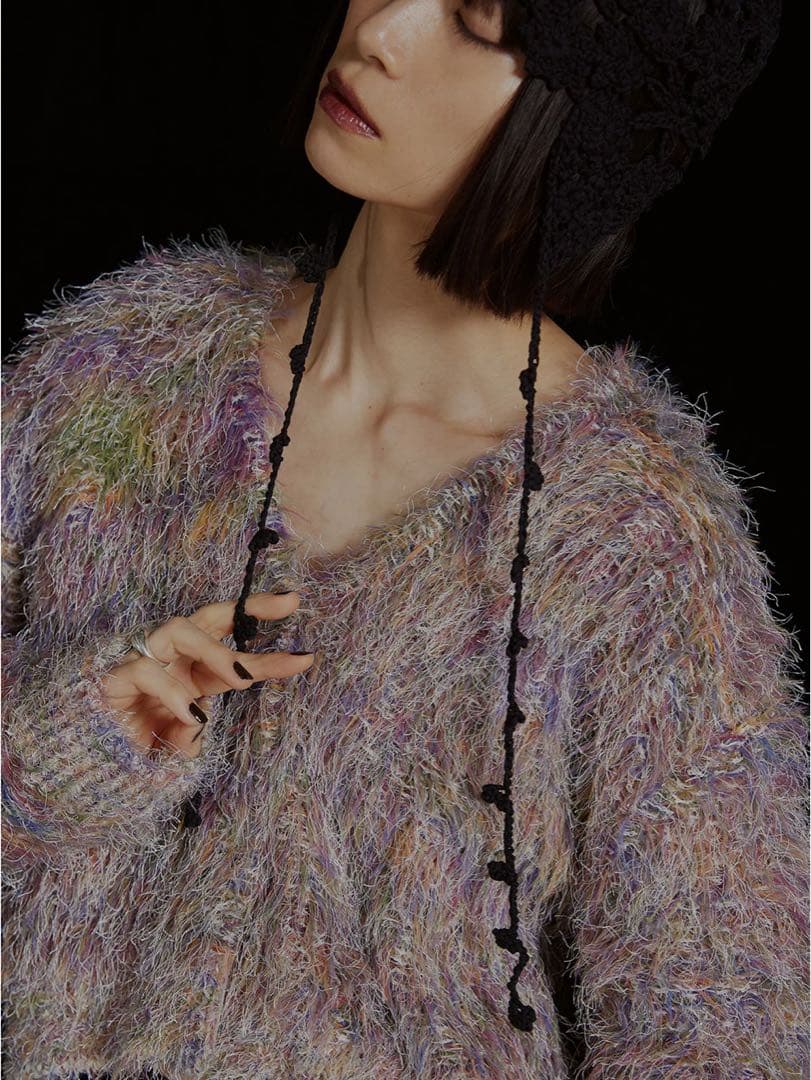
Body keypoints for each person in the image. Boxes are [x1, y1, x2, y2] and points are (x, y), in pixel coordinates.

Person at [2, 2, 807, 1078]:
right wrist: (72, 744)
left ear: (586, 119)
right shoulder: (116, 368)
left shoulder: (638, 540)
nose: (381, 28)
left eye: (474, 20)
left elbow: (725, 1017)